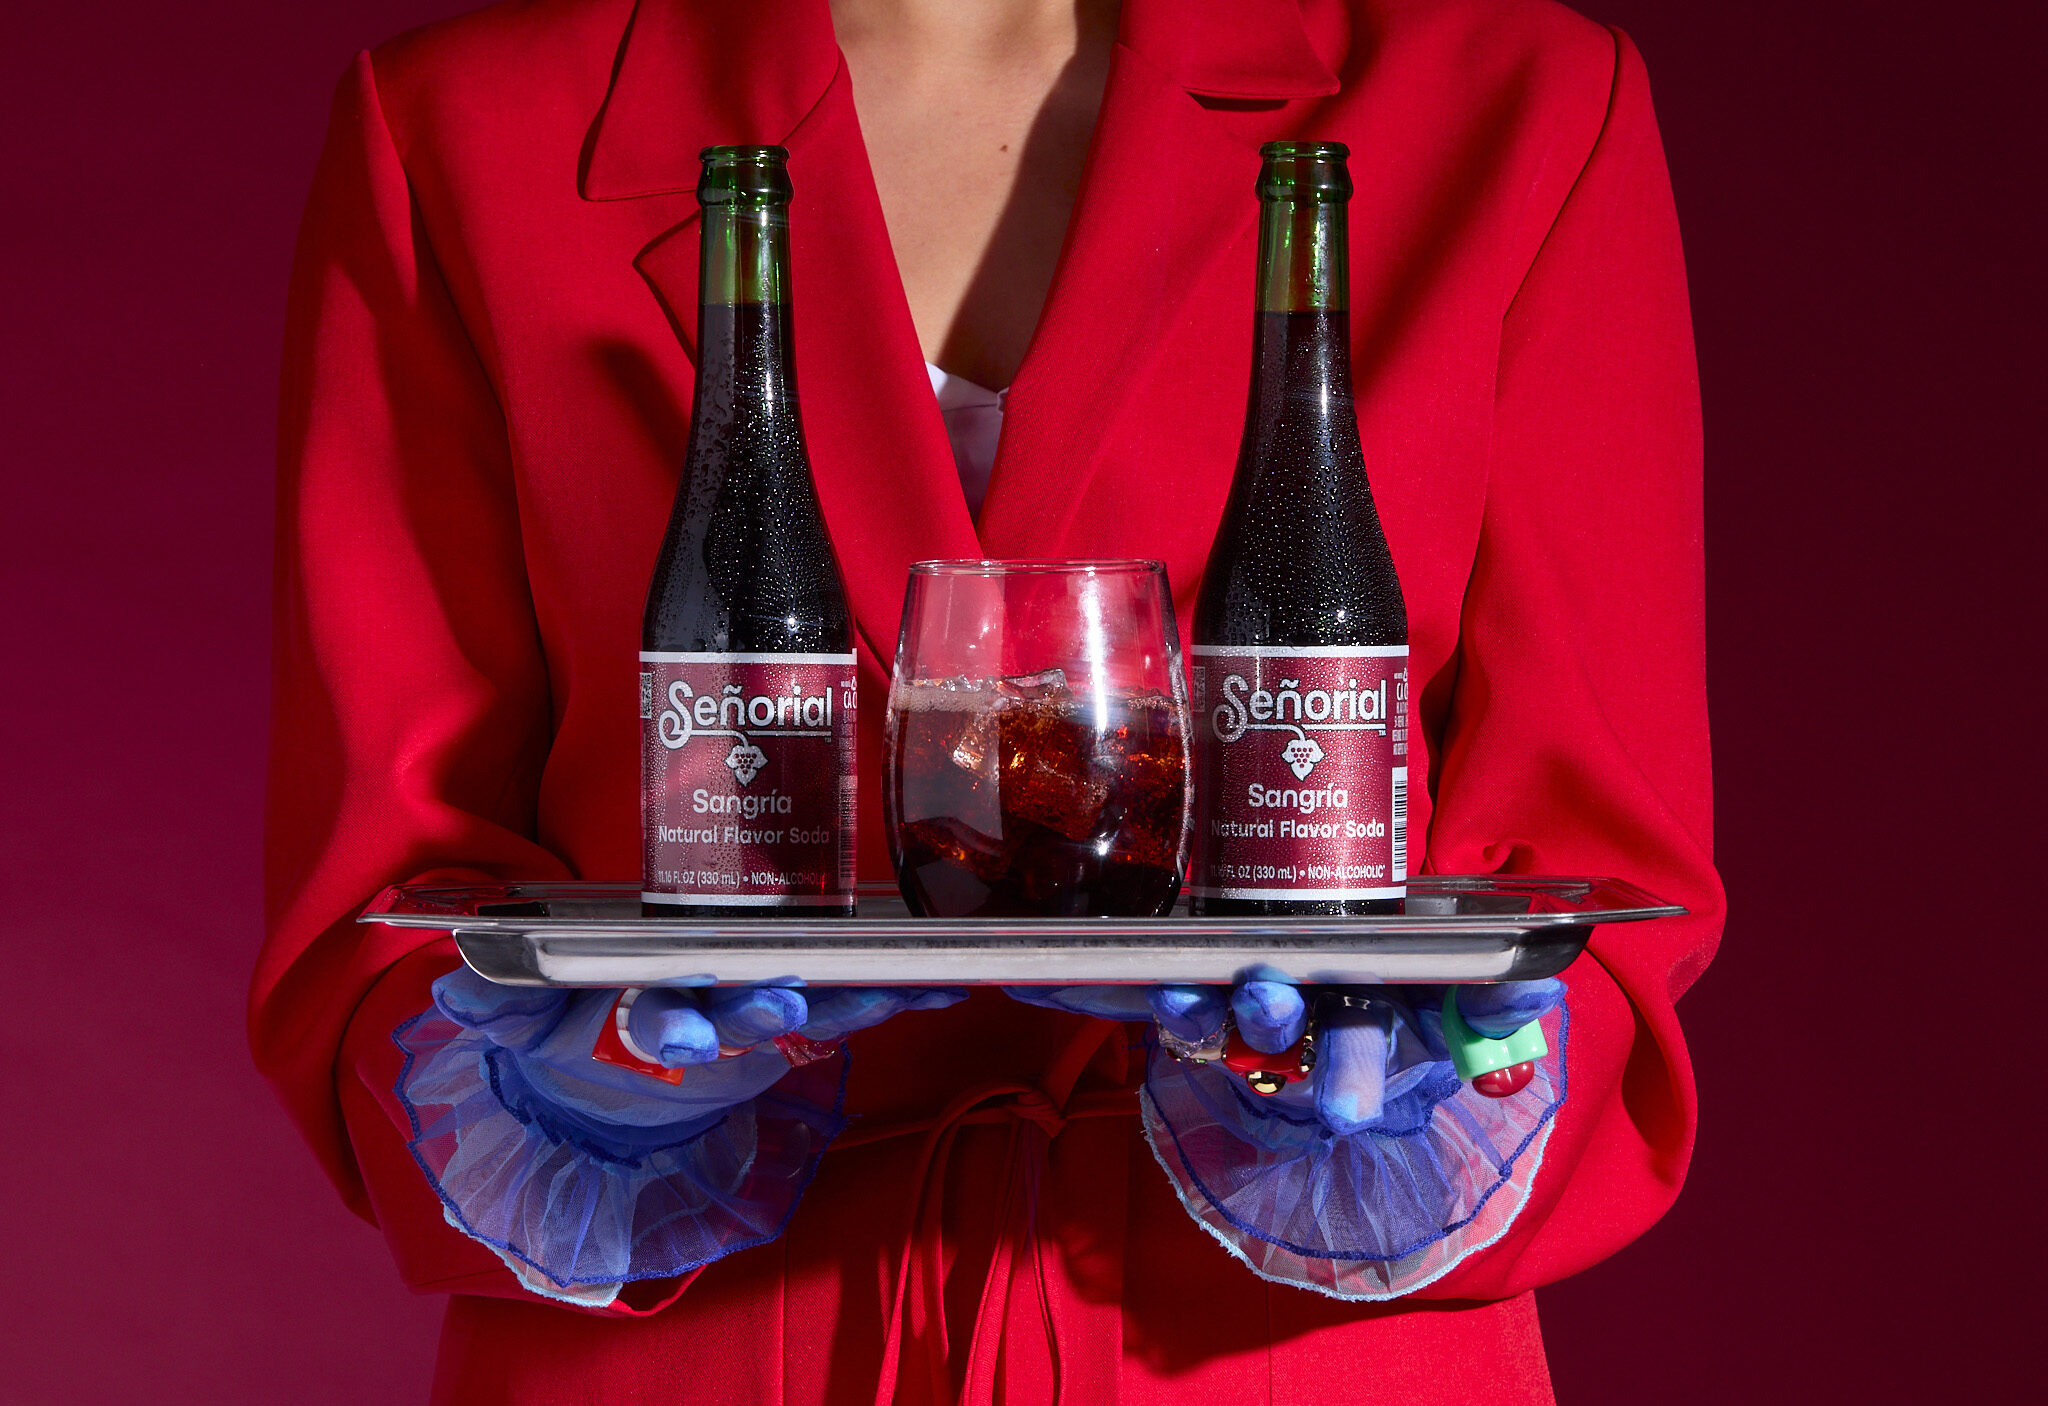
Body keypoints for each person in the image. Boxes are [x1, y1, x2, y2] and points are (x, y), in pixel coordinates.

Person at [252, 0, 1722, 1400]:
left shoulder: (1522, 106)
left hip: (1286, 1360)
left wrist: (1438, 1086)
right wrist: (566, 1106)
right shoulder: (460, 130)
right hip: (695, 1355)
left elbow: (1600, 888)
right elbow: (377, 912)